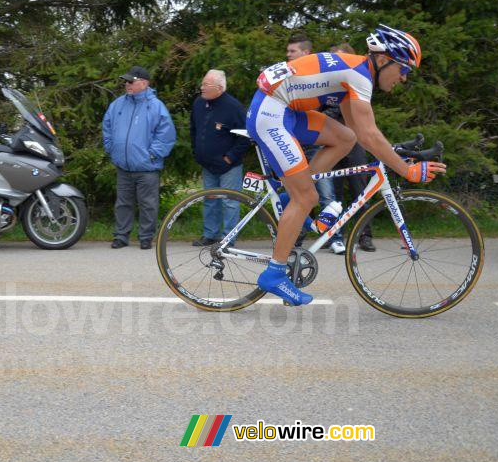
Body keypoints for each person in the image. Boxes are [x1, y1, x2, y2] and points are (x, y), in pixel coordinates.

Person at [246, 24, 446, 305]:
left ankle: (291, 195)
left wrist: (395, 154)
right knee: (308, 196)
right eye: (404, 69)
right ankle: (274, 274)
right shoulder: (358, 75)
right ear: (382, 59)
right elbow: (370, 135)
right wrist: (407, 171)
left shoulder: (356, 73)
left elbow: (360, 133)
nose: (403, 78)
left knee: (344, 138)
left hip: (285, 110)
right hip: (271, 113)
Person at [102, 66, 176, 250]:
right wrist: (112, 148)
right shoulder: (118, 104)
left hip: (147, 167)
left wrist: (151, 154)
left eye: (131, 81)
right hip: (123, 165)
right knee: (123, 203)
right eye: (126, 81)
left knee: (148, 205)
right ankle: (121, 236)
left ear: (144, 83)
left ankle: (146, 237)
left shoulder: (156, 106)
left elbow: (166, 135)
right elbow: (107, 127)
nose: (127, 84)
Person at [285, 34, 346, 254]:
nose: (288, 55)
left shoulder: (319, 74)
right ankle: (295, 236)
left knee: (324, 190)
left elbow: (333, 105)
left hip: (315, 140)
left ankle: (335, 236)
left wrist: (317, 124)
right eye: (288, 51)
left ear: (305, 53)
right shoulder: (289, 75)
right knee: (296, 192)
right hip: (293, 140)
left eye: (292, 51)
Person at [325, 42, 375, 252]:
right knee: (333, 193)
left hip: (354, 142)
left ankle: (365, 235)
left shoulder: (358, 81)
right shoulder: (326, 82)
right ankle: (336, 234)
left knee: (359, 190)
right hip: (331, 142)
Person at [189, 69, 249, 246]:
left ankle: (228, 239)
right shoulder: (199, 103)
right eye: (202, 84)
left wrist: (229, 158)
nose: (202, 88)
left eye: (206, 85)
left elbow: (245, 137)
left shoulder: (233, 107)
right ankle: (210, 234)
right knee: (210, 200)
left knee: (230, 203)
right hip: (207, 164)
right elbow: (194, 129)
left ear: (220, 87)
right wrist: (197, 151)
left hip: (229, 166)